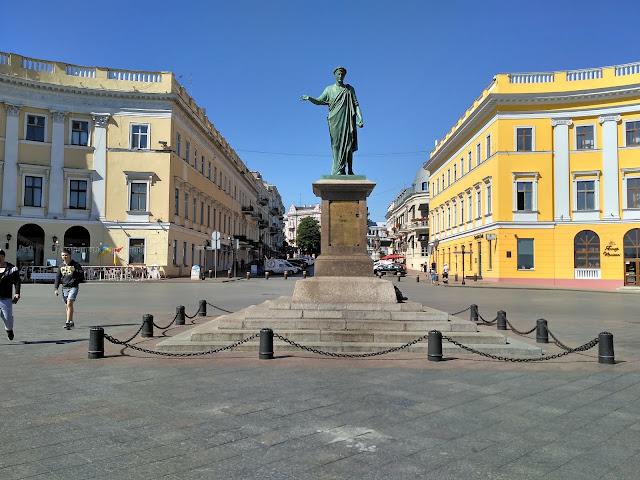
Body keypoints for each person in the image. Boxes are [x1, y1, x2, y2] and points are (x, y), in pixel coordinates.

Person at [300, 66, 364, 175]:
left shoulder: (349, 89)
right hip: (335, 120)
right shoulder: (329, 89)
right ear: (335, 75)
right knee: (336, 145)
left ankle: (350, 170)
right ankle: (339, 169)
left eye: (342, 74)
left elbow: (356, 104)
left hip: (347, 120)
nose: (340, 76)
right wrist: (310, 98)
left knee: (348, 145)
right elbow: (319, 100)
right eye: (338, 74)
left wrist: (361, 118)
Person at [54, 248, 84, 329]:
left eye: (66, 255)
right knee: (67, 306)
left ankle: (67, 322)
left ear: (69, 255)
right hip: (64, 287)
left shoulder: (75, 264)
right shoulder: (61, 266)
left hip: (73, 286)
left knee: (69, 303)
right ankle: (71, 321)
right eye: (63, 255)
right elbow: (58, 277)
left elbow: (82, 274)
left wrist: (75, 270)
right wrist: (56, 288)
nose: (64, 257)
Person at [0, 249, 21, 341]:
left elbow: (17, 281)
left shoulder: (12, 268)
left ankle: (9, 330)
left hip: (5, 297)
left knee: (7, 318)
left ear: (3, 256)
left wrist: (17, 293)